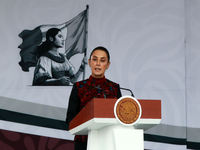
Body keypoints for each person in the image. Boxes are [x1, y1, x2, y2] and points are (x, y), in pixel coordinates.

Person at [66, 46, 122, 150]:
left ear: (108, 65)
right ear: (89, 62)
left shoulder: (114, 88)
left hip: (108, 141)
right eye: (94, 59)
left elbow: (120, 117)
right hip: (84, 142)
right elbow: (70, 118)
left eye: (102, 60)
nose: (98, 64)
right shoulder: (79, 87)